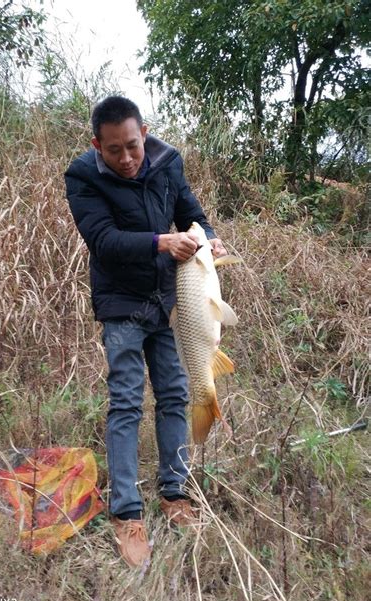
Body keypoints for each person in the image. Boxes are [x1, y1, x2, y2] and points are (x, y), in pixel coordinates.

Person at [65, 96, 228, 568]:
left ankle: (175, 493)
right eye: (114, 150)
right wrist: (162, 242)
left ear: (145, 134)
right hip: (121, 303)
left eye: (133, 146)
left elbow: (191, 212)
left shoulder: (167, 161)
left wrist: (207, 236)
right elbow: (104, 241)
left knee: (177, 392)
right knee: (127, 401)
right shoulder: (82, 177)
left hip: (167, 298)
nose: (127, 158)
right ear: (98, 145)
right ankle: (126, 513)